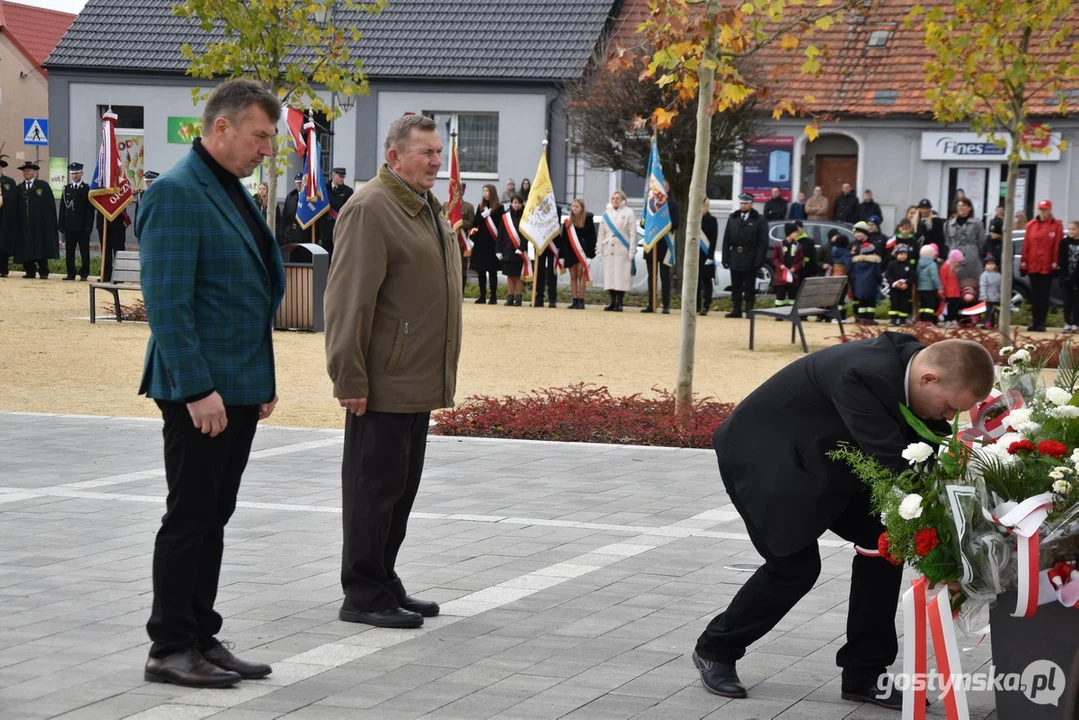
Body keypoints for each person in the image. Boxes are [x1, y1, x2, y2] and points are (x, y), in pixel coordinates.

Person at [694, 336, 994, 709]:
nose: (950, 419)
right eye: (949, 408)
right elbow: (891, 460)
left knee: (888, 544)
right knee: (795, 568)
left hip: (833, 460)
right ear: (928, 379)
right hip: (769, 460)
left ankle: (864, 674)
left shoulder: (913, 369)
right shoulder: (862, 373)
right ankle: (716, 649)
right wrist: (948, 522)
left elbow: (920, 453)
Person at [137, 78, 284, 689]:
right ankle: (169, 646)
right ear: (220, 128)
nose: (266, 149)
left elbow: (244, 293)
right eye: (259, 136)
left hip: (238, 384)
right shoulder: (177, 193)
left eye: (270, 138)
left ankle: (200, 633)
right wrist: (197, 389)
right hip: (200, 391)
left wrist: (260, 379)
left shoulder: (231, 188)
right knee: (190, 514)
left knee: (215, 513)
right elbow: (168, 304)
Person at [324, 113, 463, 630]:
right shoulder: (371, 209)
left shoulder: (424, 207)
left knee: (398, 490)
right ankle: (361, 592)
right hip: (381, 383)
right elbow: (347, 302)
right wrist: (350, 378)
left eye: (436, 151)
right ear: (394, 157)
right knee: (372, 490)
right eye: (425, 152)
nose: (435, 161)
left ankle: (383, 578)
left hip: (415, 381)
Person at [722, 192, 769, 318]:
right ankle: (736, 309)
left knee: (749, 284)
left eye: (746, 203)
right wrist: (725, 257)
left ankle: (749, 309)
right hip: (736, 255)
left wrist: (759, 260)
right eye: (742, 203)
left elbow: (763, 243)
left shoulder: (759, 219)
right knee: (736, 284)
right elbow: (726, 239)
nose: (743, 205)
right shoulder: (733, 217)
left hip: (750, 256)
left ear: (751, 204)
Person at [1020, 199, 1063, 332]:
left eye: (1045, 210)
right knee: (1034, 295)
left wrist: (1056, 265)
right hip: (1033, 266)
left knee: (1044, 296)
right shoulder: (1031, 225)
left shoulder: (1056, 226)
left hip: (1047, 267)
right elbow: (1026, 246)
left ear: (1050, 210)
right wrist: (1023, 264)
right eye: (1041, 209)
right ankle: (1034, 321)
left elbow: (1057, 247)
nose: (1043, 212)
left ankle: (1041, 322)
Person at [15, 161, 59, 279]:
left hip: (40, 224)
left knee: (41, 247)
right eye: (24, 171)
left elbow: (49, 206)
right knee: (26, 247)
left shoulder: (42, 186)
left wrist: (48, 223)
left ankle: (43, 271)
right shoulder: (19, 188)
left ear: (34, 171)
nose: (26, 173)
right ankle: (30, 271)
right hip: (25, 224)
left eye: (28, 170)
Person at [599, 189, 637, 312]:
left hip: (622, 248)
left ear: (622, 200)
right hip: (609, 247)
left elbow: (632, 233)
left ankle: (620, 302)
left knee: (621, 276)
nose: (615, 200)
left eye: (617, 198)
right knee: (610, 276)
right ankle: (612, 301)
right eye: (613, 198)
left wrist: (632, 250)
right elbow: (602, 233)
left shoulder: (629, 212)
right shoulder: (606, 214)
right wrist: (599, 248)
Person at [643, 181, 678, 314]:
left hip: (665, 244)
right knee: (651, 277)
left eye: (663, 187)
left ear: (667, 189)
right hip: (652, 244)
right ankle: (651, 304)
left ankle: (666, 305)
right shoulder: (650, 205)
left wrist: (662, 223)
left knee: (665, 277)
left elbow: (676, 224)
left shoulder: (673, 205)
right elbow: (644, 223)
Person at [58, 162, 95, 281]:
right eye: (72, 174)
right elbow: (63, 208)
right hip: (69, 226)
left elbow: (90, 210)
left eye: (77, 173)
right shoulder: (66, 189)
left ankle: (84, 273)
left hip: (82, 226)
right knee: (69, 251)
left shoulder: (87, 189)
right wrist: (61, 224)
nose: (74, 176)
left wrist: (88, 226)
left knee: (84, 251)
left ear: (82, 173)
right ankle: (70, 273)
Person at [558, 198, 596, 310]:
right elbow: (564, 240)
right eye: (573, 206)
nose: (574, 208)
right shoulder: (567, 222)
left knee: (581, 276)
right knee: (573, 277)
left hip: (582, 253)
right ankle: (574, 300)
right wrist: (561, 256)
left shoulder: (587, 220)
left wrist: (590, 255)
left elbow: (592, 239)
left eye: (577, 206)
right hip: (570, 253)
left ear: (582, 208)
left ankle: (581, 300)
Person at [469, 184, 502, 304]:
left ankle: (493, 296)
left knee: (492, 271)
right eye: (483, 191)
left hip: (493, 242)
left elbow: (501, 225)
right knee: (481, 270)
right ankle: (482, 295)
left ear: (492, 192)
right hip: (481, 243)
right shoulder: (481, 206)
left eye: (487, 191)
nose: (485, 193)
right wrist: (483, 215)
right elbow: (475, 223)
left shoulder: (499, 207)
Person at [945, 197, 985, 288]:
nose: (961, 208)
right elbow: (948, 242)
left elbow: (981, 242)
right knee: (954, 283)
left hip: (972, 257)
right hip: (954, 257)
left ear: (969, 208)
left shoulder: (977, 223)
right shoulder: (949, 224)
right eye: (959, 206)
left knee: (972, 285)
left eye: (963, 205)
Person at [498, 194, 528, 306]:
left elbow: (526, 235)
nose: (516, 205)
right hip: (507, 250)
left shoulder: (525, 217)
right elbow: (500, 234)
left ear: (521, 204)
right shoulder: (505, 217)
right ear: (511, 203)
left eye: (518, 203)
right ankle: (510, 297)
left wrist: (522, 248)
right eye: (514, 202)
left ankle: (519, 298)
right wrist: (498, 250)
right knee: (509, 275)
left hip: (520, 251)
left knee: (519, 276)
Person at [319, 167, 354, 262]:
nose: (342, 179)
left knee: (337, 259)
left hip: (338, 229)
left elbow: (347, 209)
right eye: (340, 176)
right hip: (325, 230)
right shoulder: (324, 188)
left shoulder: (348, 191)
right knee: (325, 260)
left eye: (343, 177)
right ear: (333, 175)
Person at [850, 223, 882, 324]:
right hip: (871, 285)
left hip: (859, 285)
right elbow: (878, 274)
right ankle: (870, 318)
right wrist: (879, 281)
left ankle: (862, 318)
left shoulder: (857, 262)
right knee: (870, 303)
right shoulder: (874, 262)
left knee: (862, 303)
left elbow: (854, 273)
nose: (857, 235)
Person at [772, 222, 804, 309]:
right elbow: (774, 259)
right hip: (781, 276)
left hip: (793, 276)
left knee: (792, 297)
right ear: (790, 233)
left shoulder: (798, 246)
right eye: (795, 232)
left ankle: (791, 313)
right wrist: (780, 265)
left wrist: (795, 268)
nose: (797, 234)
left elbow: (801, 260)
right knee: (780, 297)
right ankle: (779, 315)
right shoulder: (779, 245)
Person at [698, 199, 719, 315]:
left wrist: (710, 257)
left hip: (706, 256)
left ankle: (706, 305)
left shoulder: (712, 220)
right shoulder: (694, 220)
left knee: (706, 282)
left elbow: (713, 240)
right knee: (695, 282)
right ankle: (696, 305)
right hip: (695, 256)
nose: (702, 208)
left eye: (704, 206)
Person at [884, 244, 914, 326]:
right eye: (901, 254)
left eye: (905, 254)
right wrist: (894, 283)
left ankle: (902, 320)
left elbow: (912, 276)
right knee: (894, 303)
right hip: (894, 288)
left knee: (904, 304)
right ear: (897, 255)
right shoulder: (892, 264)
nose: (903, 256)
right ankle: (893, 319)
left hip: (905, 289)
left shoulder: (909, 265)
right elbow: (888, 275)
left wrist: (907, 284)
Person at [916, 245, 943, 325]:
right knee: (929, 305)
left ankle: (922, 319)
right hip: (930, 288)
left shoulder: (919, 263)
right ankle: (928, 320)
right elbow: (934, 277)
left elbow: (917, 274)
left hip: (920, 288)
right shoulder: (932, 264)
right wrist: (939, 287)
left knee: (923, 305)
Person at [277, 174, 303, 248]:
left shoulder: (309, 198)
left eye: (300, 183)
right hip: (290, 234)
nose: (298, 185)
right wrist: (281, 235)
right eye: (297, 183)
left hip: (303, 234)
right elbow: (284, 217)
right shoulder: (290, 196)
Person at [458, 182, 475, 293]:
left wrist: (459, 222)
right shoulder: (445, 205)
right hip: (448, 241)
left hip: (461, 242)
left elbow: (471, 223)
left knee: (462, 268)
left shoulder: (468, 207)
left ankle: (461, 293)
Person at [939, 249, 963, 327]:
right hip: (949, 293)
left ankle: (953, 320)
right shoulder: (945, 267)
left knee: (955, 307)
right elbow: (943, 280)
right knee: (949, 308)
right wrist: (942, 290)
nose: (959, 264)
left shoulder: (952, 268)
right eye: (958, 262)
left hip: (955, 293)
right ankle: (948, 321)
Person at [0, 155, 14, 277]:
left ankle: (3, 269)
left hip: (4, 218)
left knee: (3, 244)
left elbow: (12, 199)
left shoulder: (9, 182)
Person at [980, 257, 1002, 329]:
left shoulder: (999, 275)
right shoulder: (984, 275)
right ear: (985, 265)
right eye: (988, 264)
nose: (991, 265)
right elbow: (983, 286)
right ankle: (988, 323)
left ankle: (999, 323)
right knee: (988, 311)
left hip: (996, 297)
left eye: (993, 264)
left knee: (998, 310)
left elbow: (1001, 286)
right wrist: (983, 296)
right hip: (988, 298)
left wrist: (1001, 295)